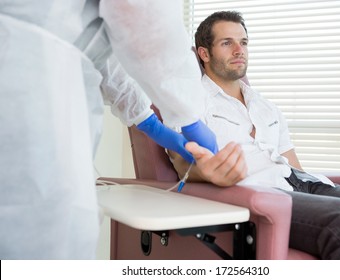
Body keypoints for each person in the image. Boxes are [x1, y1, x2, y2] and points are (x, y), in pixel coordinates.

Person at [0, 0, 218, 259]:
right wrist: (188, 112)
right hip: (27, 76)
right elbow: (144, 15)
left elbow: (104, 57)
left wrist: (151, 122)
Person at [170, 11, 340, 259]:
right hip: (263, 197)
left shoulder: (264, 105)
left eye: (243, 42)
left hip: (307, 186)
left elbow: (292, 163)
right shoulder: (190, 102)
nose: (239, 50)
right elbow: (181, 165)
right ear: (204, 53)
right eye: (227, 43)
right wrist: (206, 172)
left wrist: (322, 201)